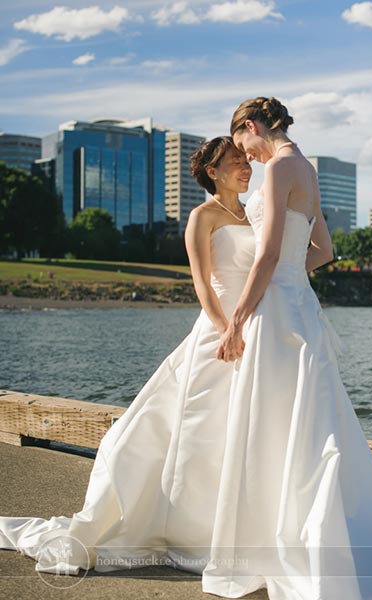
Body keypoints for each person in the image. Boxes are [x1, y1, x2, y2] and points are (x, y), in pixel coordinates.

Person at [0, 137, 256, 579]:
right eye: (234, 159)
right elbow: (202, 285)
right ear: (212, 172)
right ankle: (186, 528)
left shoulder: (254, 214)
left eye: (245, 157)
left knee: (240, 427)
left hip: (255, 328)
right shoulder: (202, 216)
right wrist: (225, 331)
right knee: (200, 426)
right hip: (219, 331)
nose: (244, 164)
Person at [200, 97, 372, 599]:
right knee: (308, 423)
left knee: (267, 424)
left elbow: (266, 255)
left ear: (249, 127)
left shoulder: (275, 170)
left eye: (241, 143)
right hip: (301, 308)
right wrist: (289, 274)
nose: (243, 156)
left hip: (274, 313)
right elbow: (325, 252)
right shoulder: (305, 169)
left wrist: (236, 319)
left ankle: (271, 545)